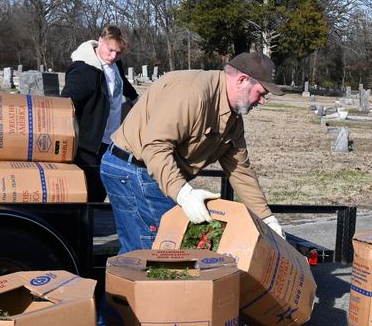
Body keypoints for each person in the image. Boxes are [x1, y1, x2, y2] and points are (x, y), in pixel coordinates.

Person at [101, 51, 286, 253]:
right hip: (132, 168)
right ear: (242, 80)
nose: (262, 101)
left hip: (153, 171)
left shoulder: (233, 120)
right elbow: (155, 146)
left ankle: (120, 283)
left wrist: (267, 218)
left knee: (142, 254)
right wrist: (184, 194)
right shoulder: (193, 93)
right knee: (158, 253)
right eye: (261, 93)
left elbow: (241, 170)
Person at [61, 25, 139, 202]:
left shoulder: (115, 63)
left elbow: (122, 82)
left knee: (102, 189)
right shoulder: (83, 70)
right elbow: (66, 103)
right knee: (88, 194)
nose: (113, 56)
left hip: (111, 140)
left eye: (118, 53)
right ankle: (85, 229)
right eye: (110, 50)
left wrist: (135, 98)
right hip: (89, 145)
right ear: (100, 40)